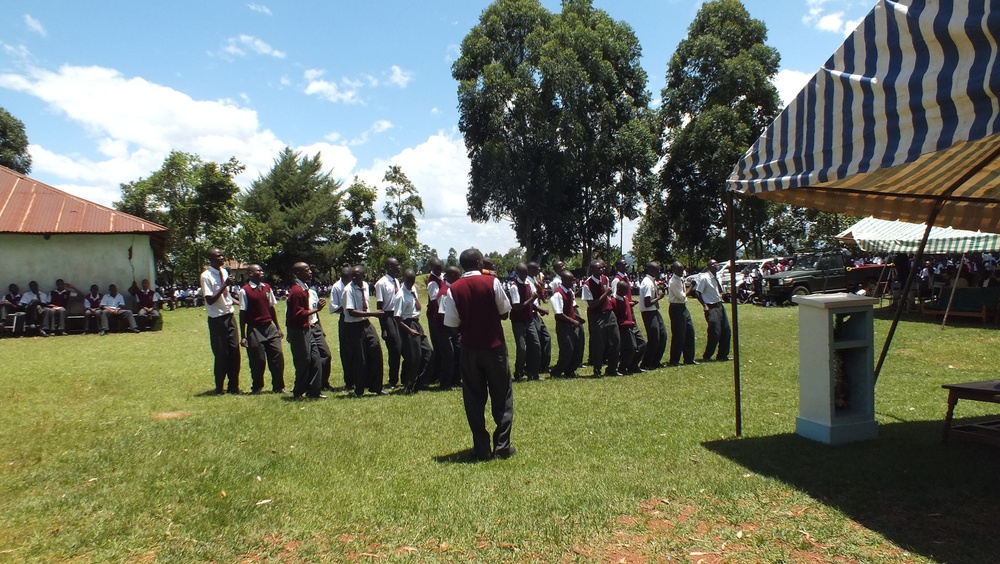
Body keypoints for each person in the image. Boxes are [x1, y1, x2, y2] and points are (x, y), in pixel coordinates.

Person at [443, 248, 515, 461]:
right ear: (478, 261)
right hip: (494, 347)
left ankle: (481, 448)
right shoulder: (491, 282)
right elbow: (504, 313)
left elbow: (452, 325)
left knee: (474, 399)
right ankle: (502, 447)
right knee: (502, 397)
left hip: (470, 349)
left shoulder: (453, 288)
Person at [239, 264, 286, 394]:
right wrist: (243, 335)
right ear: (250, 273)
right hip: (255, 329)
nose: (261, 272)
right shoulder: (245, 291)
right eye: (258, 271)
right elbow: (243, 313)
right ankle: (257, 387)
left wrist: (278, 327)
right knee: (258, 359)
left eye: (261, 270)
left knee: (277, 356)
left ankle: (279, 386)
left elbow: (271, 308)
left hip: (269, 327)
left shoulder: (267, 288)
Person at [201, 247, 241, 394]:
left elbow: (226, 296)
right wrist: (225, 284)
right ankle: (219, 387)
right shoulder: (206, 276)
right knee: (221, 354)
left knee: (234, 351)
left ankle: (234, 386)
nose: (222, 258)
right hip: (217, 319)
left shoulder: (224, 272)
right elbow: (210, 300)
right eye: (218, 256)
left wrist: (237, 302)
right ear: (211, 259)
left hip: (229, 315)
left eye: (222, 255)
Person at [286, 262, 329, 399]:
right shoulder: (297, 291)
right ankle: (298, 392)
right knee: (303, 361)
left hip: (307, 328)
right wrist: (317, 309)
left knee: (316, 358)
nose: (310, 272)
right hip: (299, 330)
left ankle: (314, 390)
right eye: (307, 270)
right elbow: (298, 314)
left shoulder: (304, 288)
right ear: (298, 273)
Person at [342, 266, 387, 397]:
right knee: (359, 359)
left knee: (376, 352)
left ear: (364, 276)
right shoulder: (348, 290)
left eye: (357, 275)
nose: (354, 277)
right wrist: (373, 313)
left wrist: (370, 315)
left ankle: (376, 387)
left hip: (366, 324)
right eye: (353, 275)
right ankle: (359, 389)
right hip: (354, 326)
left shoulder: (366, 286)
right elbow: (351, 311)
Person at [581, 260, 620, 377]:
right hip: (597, 315)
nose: (601, 270)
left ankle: (612, 368)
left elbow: (608, 297)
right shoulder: (587, 285)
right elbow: (592, 304)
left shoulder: (605, 279)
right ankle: (597, 370)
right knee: (599, 343)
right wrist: (605, 294)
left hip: (609, 313)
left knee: (615, 340)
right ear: (592, 270)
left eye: (602, 268)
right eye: (598, 268)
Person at [398, 268, 433, 394]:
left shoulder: (413, 290)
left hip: (416, 323)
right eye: (408, 281)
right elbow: (397, 318)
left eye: (412, 281)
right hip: (407, 324)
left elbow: (418, 307)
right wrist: (409, 330)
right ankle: (408, 385)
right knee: (414, 357)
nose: (411, 283)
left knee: (428, 351)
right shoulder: (400, 295)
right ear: (404, 280)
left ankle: (420, 382)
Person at [508, 262, 542, 381]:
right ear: (517, 273)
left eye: (525, 272)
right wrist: (532, 298)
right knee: (522, 348)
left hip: (529, 319)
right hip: (518, 321)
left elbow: (533, 299)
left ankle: (533, 373)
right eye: (521, 272)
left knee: (536, 346)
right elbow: (517, 307)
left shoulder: (528, 283)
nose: (524, 275)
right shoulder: (514, 286)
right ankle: (518, 372)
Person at [375, 257, 404, 389]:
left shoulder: (397, 281)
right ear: (390, 267)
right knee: (395, 349)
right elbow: (380, 307)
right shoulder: (381, 283)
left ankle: (403, 377)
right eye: (397, 265)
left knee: (403, 346)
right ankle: (393, 380)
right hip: (388, 316)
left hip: (398, 315)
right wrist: (384, 328)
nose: (399, 267)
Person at [550, 270, 585, 379]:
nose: (573, 282)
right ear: (563, 280)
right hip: (564, 326)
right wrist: (573, 321)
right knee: (567, 349)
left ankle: (570, 371)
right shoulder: (558, 294)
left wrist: (578, 318)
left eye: (573, 280)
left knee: (578, 348)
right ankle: (557, 371)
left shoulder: (569, 292)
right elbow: (559, 314)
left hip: (572, 324)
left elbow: (570, 308)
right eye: (570, 280)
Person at [694, 259, 732, 362]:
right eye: (714, 264)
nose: (716, 265)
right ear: (709, 266)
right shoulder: (705, 278)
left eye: (717, 263)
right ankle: (707, 355)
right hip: (711, 307)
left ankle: (722, 355)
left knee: (726, 331)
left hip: (719, 306)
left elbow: (717, 291)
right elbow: (697, 292)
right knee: (715, 332)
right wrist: (704, 305)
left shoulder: (717, 276)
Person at [436, 266, 463, 389]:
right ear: (452, 276)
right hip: (444, 329)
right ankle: (445, 383)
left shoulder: (453, 289)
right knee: (449, 356)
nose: (460, 278)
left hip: (453, 328)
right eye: (458, 275)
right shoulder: (444, 292)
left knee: (458, 353)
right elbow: (442, 314)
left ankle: (456, 379)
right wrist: (453, 329)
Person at [667, 262, 698, 366]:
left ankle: (689, 358)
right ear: (674, 270)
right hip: (676, 308)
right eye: (679, 270)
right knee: (679, 334)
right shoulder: (673, 281)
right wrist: (692, 287)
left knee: (690, 332)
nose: (681, 272)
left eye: (682, 269)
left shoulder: (680, 279)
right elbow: (682, 296)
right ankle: (674, 360)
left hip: (683, 308)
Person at [612, 279, 646, 374]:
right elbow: (616, 319)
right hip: (624, 328)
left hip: (632, 326)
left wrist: (631, 304)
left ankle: (633, 365)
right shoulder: (614, 301)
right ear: (618, 289)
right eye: (624, 290)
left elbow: (625, 306)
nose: (626, 292)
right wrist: (627, 323)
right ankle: (623, 367)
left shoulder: (624, 299)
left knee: (642, 344)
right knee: (631, 347)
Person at [329, 266, 353, 390]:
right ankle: (349, 382)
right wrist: (346, 306)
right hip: (345, 319)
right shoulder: (337, 287)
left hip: (357, 319)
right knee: (346, 352)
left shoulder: (355, 285)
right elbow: (334, 308)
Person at [638, 262, 667, 369]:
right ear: (650, 270)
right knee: (654, 338)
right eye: (657, 270)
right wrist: (659, 297)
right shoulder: (647, 283)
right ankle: (646, 363)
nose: (659, 272)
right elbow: (647, 302)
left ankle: (655, 361)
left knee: (662, 336)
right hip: (648, 313)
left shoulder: (651, 281)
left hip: (654, 311)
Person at [425, 257, 449, 387]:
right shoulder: (432, 283)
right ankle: (432, 375)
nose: (440, 271)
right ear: (432, 268)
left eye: (441, 268)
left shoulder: (441, 277)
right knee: (438, 346)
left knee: (440, 347)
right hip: (435, 317)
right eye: (437, 269)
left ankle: (436, 374)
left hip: (440, 315)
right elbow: (435, 302)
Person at [526, 262, 552, 373]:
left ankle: (543, 365)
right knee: (534, 343)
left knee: (546, 338)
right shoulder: (528, 282)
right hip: (531, 315)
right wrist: (541, 309)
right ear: (531, 270)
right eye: (537, 269)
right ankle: (532, 367)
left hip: (536, 314)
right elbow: (529, 301)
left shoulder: (533, 281)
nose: (539, 271)